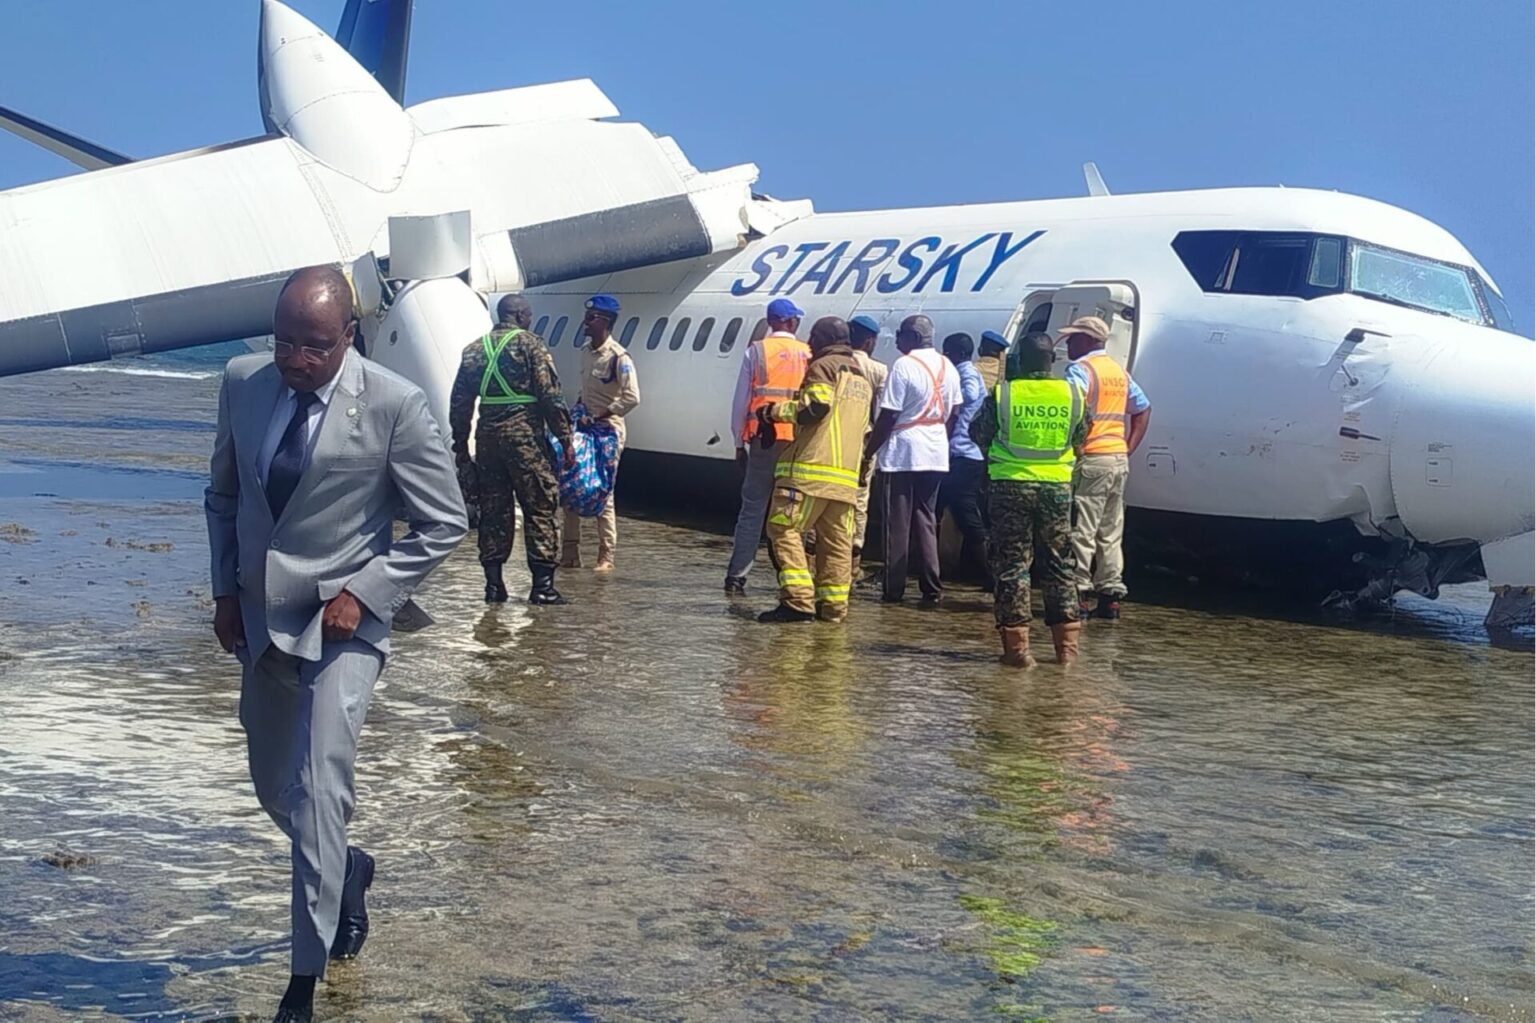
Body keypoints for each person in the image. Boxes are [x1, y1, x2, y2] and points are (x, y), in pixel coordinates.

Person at [205, 266, 467, 1023]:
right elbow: (224, 494)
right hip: (261, 613)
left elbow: (443, 521)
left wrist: (367, 590)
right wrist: (225, 590)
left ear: (347, 336)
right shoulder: (242, 381)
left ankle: (303, 978)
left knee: (321, 783)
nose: (295, 358)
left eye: (313, 346)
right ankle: (344, 866)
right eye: (284, 340)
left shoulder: (394, 403)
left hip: (344, 619)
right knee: (273, 785)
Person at [970, 331, 1088, 667]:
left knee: (1012, 566)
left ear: (1020, 359)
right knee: (1060, 564)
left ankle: (1018, 651)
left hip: (1009, 486)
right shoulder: (1073, 394)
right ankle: (1066, 651)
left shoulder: (1004, 393)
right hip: (1057, 487)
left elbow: (977, 433)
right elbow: (1081, 437)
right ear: (1052, 360)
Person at [448, 294, 575, 605]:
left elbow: (460, 403)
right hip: (526, 440)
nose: (531, 319)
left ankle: (494, 586)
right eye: (528, 314)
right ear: (519, 315)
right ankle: (542, 587)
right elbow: (550, 397)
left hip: (488, 440)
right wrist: (566, 438)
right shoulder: (531, 345)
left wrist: (461, 444)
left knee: (493, 510)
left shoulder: (474, 350)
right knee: (540, 507)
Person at [758, 316, 873, 623]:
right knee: (836, 544)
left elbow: (815, 407)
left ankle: (797, 601)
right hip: (845, 479)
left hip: (809, 472)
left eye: (814, 337)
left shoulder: (823, 367)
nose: (809, 343)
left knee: (783, 529)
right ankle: (833, 608)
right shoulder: (861, 375)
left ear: (824, 340)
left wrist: (773, 412)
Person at [862, 314, 962, 604]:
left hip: (904, 452)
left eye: (900, 334)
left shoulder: (904, 366)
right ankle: (931, 588)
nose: (896, 339)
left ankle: (893, 589)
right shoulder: (949, 366)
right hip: (935, 451)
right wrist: (939, 438)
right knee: (926, 519)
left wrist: (870, 451)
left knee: (897, 522)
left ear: (914, 338)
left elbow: (889, 414)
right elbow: (954, 412)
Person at [1061, 315, 1151, 620]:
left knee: (1081, 528)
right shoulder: (1118, 372)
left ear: (1087, 340)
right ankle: (1111, 594)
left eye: (1073, 338)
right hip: (1117, 459)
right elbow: (1143, 407)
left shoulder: (1080, 370)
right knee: (1111, 529)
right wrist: (1128, 447)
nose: (1069, 343)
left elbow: (1071, 412)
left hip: (1091, 459)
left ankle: (1079, 592)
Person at [724, 297, 810, 595]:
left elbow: (740, 403)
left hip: (764, 439)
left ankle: (737, 575)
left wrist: (738, 442)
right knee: (793, 513)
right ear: (791, 322)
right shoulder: (807, 354)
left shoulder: (756, 351)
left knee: (752, 511)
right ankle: (794, 579)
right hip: (797, 443)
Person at [562, 294, 640, 572]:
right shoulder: (585, 351)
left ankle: (606, 556)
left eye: (592, 318)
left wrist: (602, 414)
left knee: (602, 491)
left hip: (607, 432)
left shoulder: (618, 357)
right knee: (570, 485)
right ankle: (570, 553)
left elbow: (632, 397)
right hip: (584, 428)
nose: (586, 322)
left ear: (605, 322)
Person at [936, 332, 990, 587]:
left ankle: (988, 572)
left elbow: (969, 394)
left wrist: (949, 397)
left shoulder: (965, 372)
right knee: (950, 510)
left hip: (963, 453)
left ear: (957, 353)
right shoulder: (966, 370)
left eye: (947, 352)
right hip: (963, 454)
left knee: (963, 512)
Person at [847, 314, 888, 577]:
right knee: (860, 500)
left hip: (834, 441)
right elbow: (884, 411)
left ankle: (818, 556)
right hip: (864, 440)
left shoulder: (833, 363)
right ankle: (853, 562)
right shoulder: (878, 370)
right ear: (870, 341)